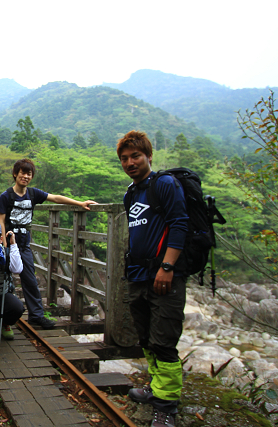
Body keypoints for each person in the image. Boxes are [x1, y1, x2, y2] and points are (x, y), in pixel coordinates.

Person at [117, 130, 188, 427]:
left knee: (164, 341)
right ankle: (155, 388)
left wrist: (168, 268)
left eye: (136, 156)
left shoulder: (165, 184)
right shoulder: (131, 193)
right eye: (124, 158)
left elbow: (179, 224)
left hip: (164, 276)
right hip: (138, 275)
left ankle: (167, 406)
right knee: (146, 336)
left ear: (149, 156)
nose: (130, 162)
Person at [0, 158, 96, 329]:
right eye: (23, 173)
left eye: (29, 174)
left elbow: (55, 198)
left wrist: (79, 203)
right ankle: (1, 316)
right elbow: (1, 221)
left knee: (30, 279)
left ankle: (36, 315)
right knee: (3, 279)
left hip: (24, 243)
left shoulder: (33, 194)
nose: (26, 176)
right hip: (9, 242)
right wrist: (4, 246)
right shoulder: (6, 196)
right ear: (15, 174)